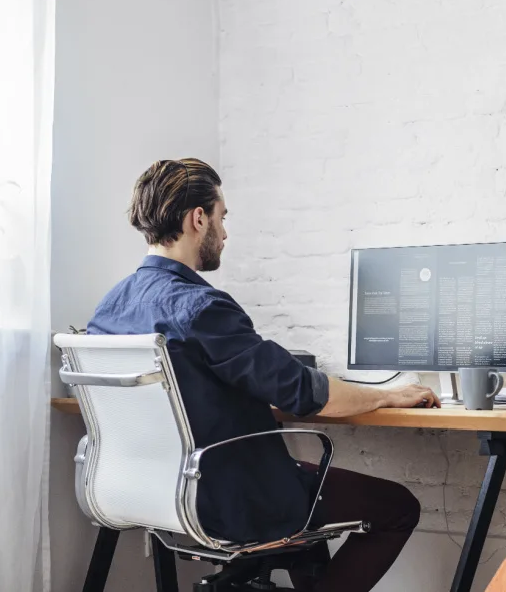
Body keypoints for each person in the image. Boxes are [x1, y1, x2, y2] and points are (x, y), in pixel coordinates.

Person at [87, 158, 439, 592]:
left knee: (305, 513)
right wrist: (388, 396)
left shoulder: (110, 307)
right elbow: (304, 392)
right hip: (228, 496)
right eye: (222, 217)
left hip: (152, 491)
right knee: (398, 506)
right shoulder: (200, 307)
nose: (225, 232)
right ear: (199, 218)